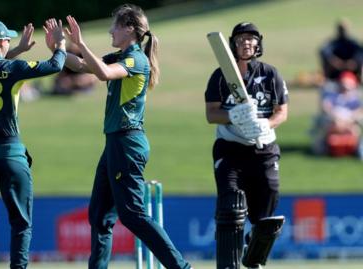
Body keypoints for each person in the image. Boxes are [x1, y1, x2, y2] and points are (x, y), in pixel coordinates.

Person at [64, 5, 192, 269]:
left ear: (130, 29)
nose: (110, 30)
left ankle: (181, 267)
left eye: (115, 26)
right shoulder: (119, 56)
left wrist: (81, 43)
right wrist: (59, 49)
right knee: (99, 215)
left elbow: (103, 73)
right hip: (115, 143)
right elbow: (80, 65)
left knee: (132, 215)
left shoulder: (135, 60)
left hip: (127, 143)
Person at [0, 19, 66, 269]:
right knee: (20, 222)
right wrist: (60, 45)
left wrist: (17, 49)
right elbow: (55, 65)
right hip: (9, 154)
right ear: (1, 43)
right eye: (7, 39)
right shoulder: (14, 69)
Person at [205, 22, 288, 269]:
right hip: (231, 148)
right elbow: (211, 114)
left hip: (264, 149)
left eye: (251, 39)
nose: (246, 43)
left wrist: (267, 124)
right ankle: (229, 256)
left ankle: (253, 249)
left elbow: (282, 111)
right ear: (233, 44)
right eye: (241, 39)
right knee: (230, 202)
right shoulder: (220, 76)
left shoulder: (270, 74)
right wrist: (233, 115)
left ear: (258, 43)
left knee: (267, 217)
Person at [311, 71, 363, 157]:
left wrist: (349, 120)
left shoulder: (354, 99)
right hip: (334, 122)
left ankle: (357, 149)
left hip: (350, 123)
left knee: (355, 130)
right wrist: (336, 117)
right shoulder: (333, 96)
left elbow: (360, 111)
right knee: (329, 127)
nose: (345, 89)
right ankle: (324, 148)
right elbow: (326, 106)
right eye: (343, 85)